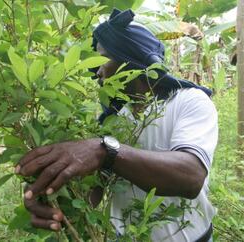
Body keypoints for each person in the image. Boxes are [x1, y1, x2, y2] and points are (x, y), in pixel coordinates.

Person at [15, 9, 218, 242]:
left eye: (103, 59)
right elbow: (96, 189)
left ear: (130, 57)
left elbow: (190, 176)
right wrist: (53, 195)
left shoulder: (188, 101)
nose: (98, 72)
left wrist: (104, 151)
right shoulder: (115, 119)